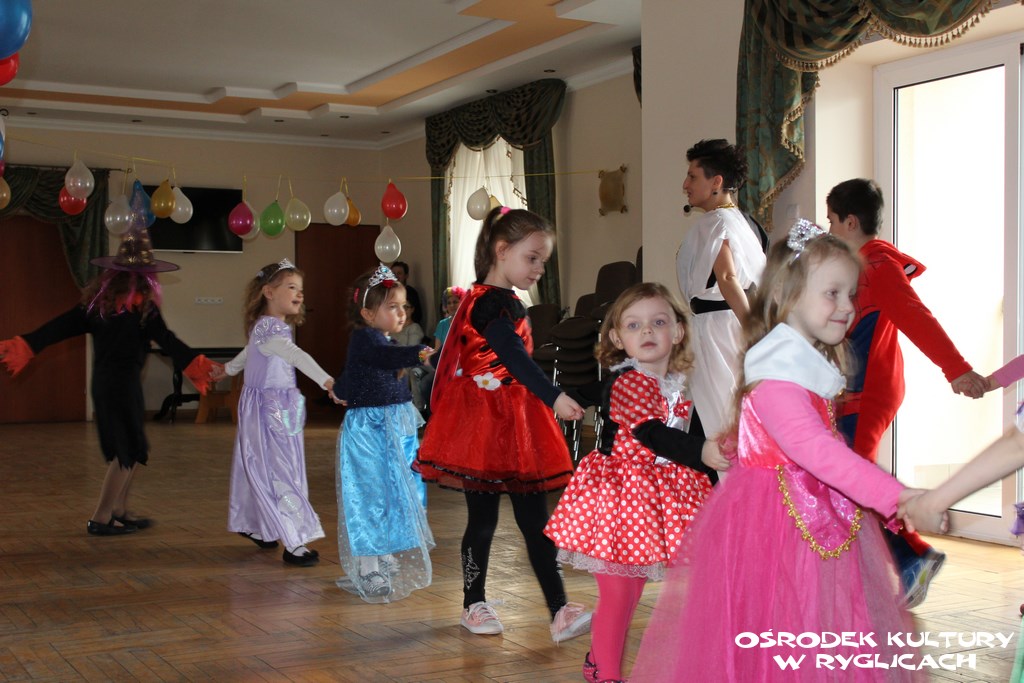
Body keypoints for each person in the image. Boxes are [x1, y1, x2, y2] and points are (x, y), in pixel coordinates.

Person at [632, 221, 922, 682]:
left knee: (817, 620)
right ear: (789, 294)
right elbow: (813, 448)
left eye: (851, 294)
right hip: (779, 518)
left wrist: (739, 438)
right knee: (788, 620)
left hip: (814, 507)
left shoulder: (798, 358)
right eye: (833, 293)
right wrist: (894, 496)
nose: (848, 307)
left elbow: (782, 430)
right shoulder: (779, 368)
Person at [415, 206, 592, 642]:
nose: (539, 269)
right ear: (501, 250)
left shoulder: (497, 300)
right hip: (484, 425)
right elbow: (512, 356)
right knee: (483, 521)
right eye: (532, 258)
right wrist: (553, 396)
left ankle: (559, 609)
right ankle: (472, 604)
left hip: (517, 424)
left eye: (543, 261)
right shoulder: (489, 303)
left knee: (535, 522)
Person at [544, 282, 720, 683]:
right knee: (619, 594)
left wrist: (575, 395)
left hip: (654, 497)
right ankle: (606, 675)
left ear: (678, 331)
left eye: (658, 322)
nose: (647, 332)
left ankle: (597, 662)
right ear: (616, 338)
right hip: (619, 497)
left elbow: (599, 389)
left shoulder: (675, 380)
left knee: (631, 590)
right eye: (634, 325)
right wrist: (702, 452)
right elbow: (651, 433)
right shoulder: (630, 383)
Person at [826, 178, 987, 607]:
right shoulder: (859, 266)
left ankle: (914, 556)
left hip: (870, 392)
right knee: (848, 479)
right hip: (856, 391)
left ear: (850, 222)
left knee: (856, 481)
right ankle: (899, 560)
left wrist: (957, 370)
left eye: (832, 221)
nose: (829, 229)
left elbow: (916, 316)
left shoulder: (879, 266)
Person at [0, 227, 216, 536]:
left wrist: (29, 344)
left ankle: (119, 510)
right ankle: (101, 517)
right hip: (120, 387)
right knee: (125, 453)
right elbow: (168, 340)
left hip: (112, 385)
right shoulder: (129, 309)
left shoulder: (106, 306)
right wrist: (195, 365)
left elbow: (57, 328)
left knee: (134, 448)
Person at [216, 259, 335, 567]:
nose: (300, 294)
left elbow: (250, 353)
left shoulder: (265, 327)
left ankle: (256, 525)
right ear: (268, 292)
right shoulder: (272, 329)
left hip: (268, 408)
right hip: (271, 411)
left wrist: (228, 369)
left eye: (301, 289)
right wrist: (327, 381)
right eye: (291, 287)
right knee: (282, 472)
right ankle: (294, 542)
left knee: (259, 468)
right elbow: (295, 355)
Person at [334, 264, 435, 603]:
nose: (401, 313)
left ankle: (384, 550)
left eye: (403, 306)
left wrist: (340, 389)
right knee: (370, 492)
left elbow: (354, 372)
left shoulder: (382, 340)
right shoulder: (366, 339)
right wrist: (418, 352)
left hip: (394, 424)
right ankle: (368, 565)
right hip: (370, 428)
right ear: (367, 313)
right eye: (392, 306)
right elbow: (380, 358)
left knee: (397, 488)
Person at [676, 138, 766, 442]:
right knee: (723, 413)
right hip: (728, 326)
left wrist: (756, 333)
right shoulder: (744, 222)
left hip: (717, 331)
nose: (685, 185)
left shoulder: (715, 222)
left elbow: (727, 278)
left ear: (716, 182)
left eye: (692, 177)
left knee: (715, 419)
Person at [412, 285, 467, 416]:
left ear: (462, 302)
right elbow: (438, 351)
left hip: (458, 366)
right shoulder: (442, 324)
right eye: (449, 302)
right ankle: (424, 413)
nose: (452, 305)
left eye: (455, 301)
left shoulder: (467, 323)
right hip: (440, 363)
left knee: (426, 383)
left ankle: (435, 416)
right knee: (415, 368)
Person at [390, 261, 423, 328]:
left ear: (406, 276)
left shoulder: (411, 293)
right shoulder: (386, 293)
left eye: (399, 273)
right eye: (393, 274)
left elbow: (417, 316)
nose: (396, 276)